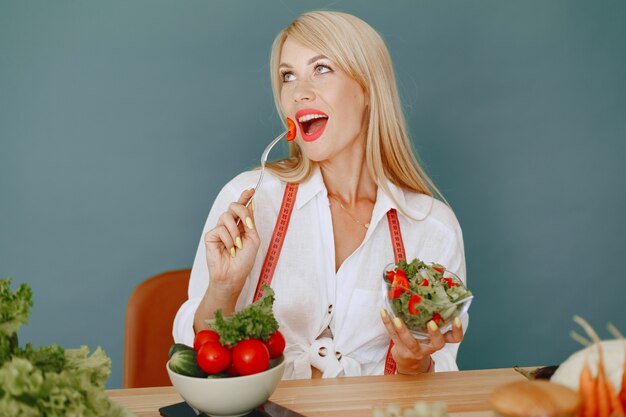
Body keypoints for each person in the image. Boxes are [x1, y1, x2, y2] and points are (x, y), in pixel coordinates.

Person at [173, 10, 467, 379]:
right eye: (287, 76)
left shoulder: (431, 227)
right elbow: (197, 358)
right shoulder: (250, 199)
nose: (299, 93)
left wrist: (414, 360)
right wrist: (225, 289)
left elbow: (441, 375)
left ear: (368, 90)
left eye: (322, 68)